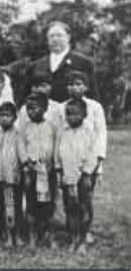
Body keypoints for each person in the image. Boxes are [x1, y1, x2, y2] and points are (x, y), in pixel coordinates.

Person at [63, 70, 107, 244]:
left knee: (85, 198)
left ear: (86, 87)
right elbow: (61, 135)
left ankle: (85, 231)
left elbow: (100, 133)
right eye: (71, 84)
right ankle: (72, 231)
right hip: (69, 162)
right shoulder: (62, 107)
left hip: (89, 161)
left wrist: (97, 162)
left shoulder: (95, 107)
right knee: (69, 197)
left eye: (78, 84)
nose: (74, 88)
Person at [55, 99, 96, 254]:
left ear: (84, 115)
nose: (71, 117)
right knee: (71, 209)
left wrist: (87, 173)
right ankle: (73, 238)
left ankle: (82, 241)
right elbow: (57, 153)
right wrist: (59, 172)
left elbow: (93, 154)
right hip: (68, 176)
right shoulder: (63, 131)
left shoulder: (89, 131)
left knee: (84, 208)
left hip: (83, 177)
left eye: (75, 114)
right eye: (68, 114)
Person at [18, 93, 57, 248]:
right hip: (31, 170)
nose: (31, 111)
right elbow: (21, 146)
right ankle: (32, 237)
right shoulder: (24, 127)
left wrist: (53, 164)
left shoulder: (52, 127)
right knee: (31, 204)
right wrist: (26, 164)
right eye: (28, 108)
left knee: (48, 205)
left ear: (45, 108)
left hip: (48, 171)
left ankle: (50, 237)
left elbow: (55, 146)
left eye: (34, 108)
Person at [26, 21, 98, 103]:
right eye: (51, 36)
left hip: (72, 113)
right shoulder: (36, 66)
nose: (55, 39)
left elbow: (93, 96)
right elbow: (26, 95)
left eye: (59, 35)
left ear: (68, 37)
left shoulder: (83, 63)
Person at [0, 102, 23, 247]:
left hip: (13, 176)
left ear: (15, 117)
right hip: (0, 176)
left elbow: (22, 156)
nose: (4, 119)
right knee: (4, 206)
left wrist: (20, 172)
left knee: (15, 207)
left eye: (7, 115)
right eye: (1, 115)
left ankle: (16, 235)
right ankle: (7, 235)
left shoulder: (18, 135)